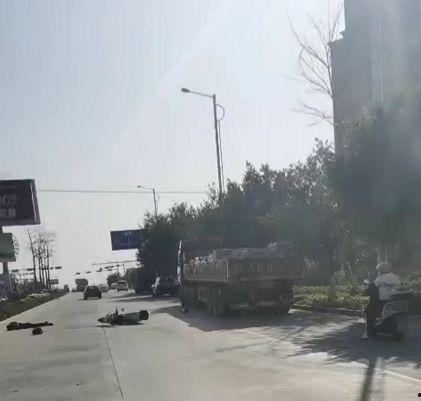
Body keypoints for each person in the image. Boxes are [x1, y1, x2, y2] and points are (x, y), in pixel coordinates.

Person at [361, 262, 401, 339]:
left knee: (369, 311)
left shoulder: (380, 278)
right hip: (394, 300)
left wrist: (366, 290)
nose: (381, 269)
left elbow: (372, 287)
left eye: (382, 268)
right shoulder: (396, 277)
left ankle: (370, 329)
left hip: (383, 301)